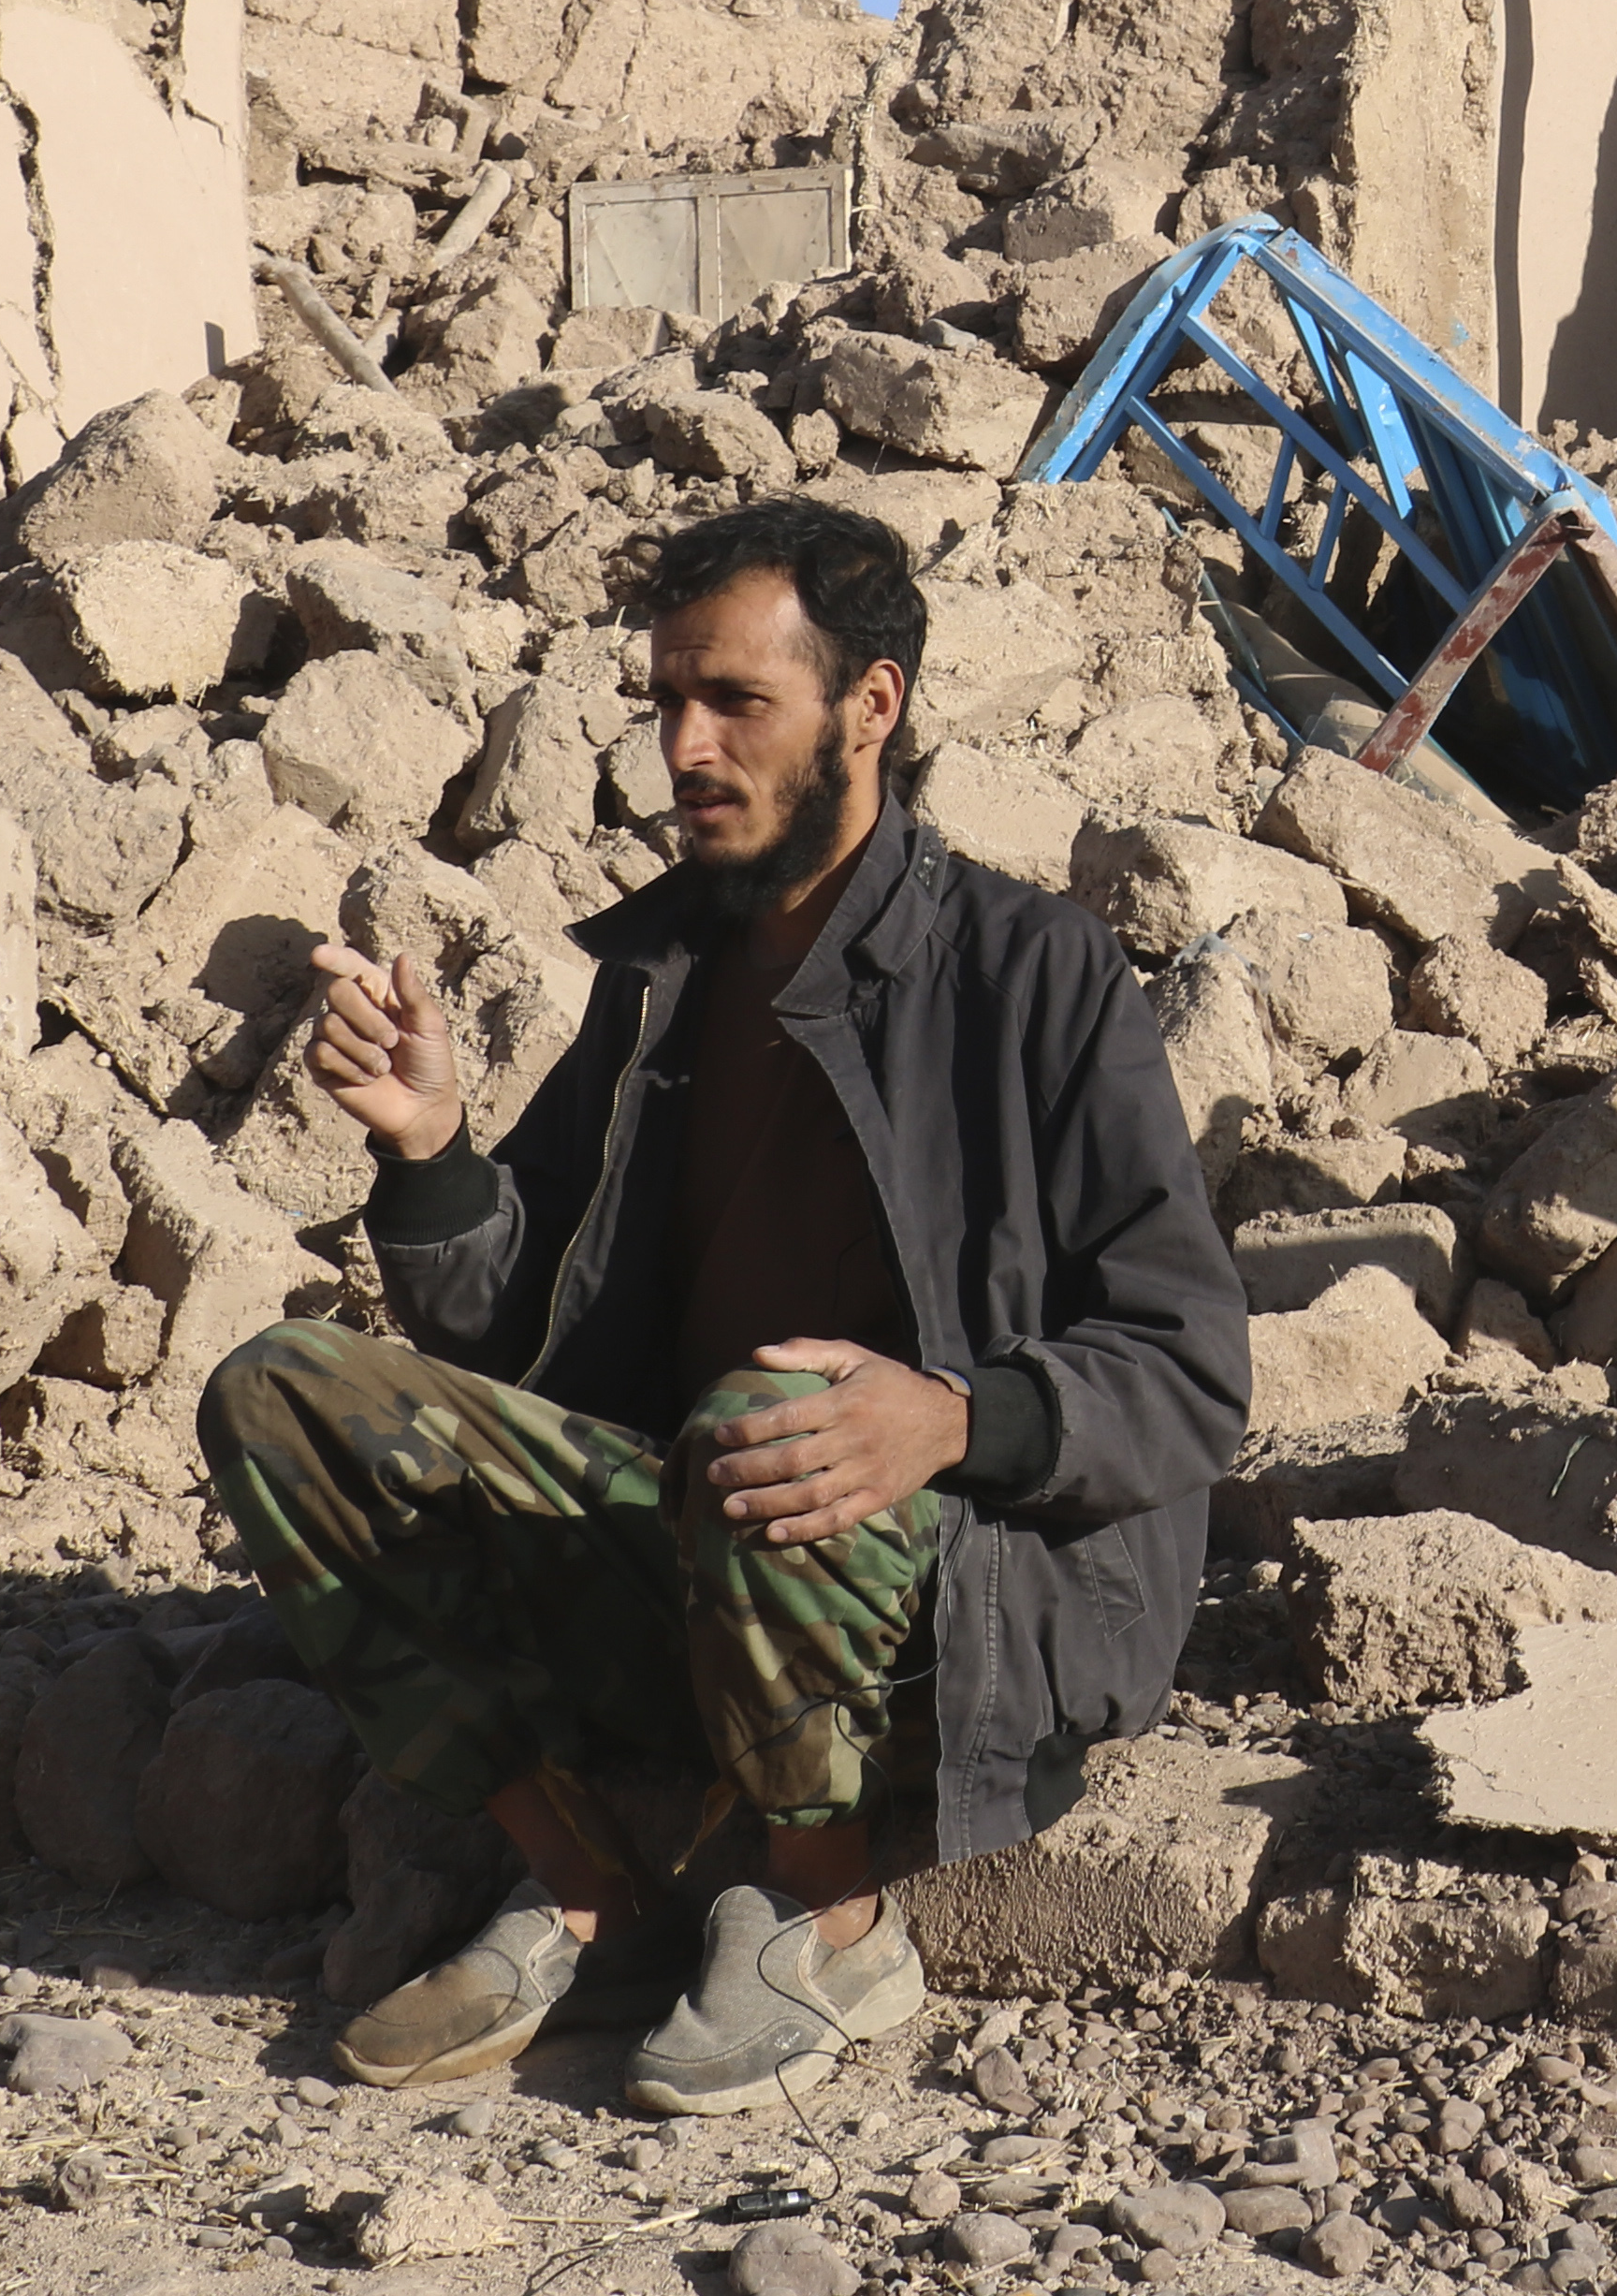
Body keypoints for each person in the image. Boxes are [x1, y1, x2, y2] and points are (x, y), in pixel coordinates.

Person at [194, 496, 1246, 2110]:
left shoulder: (1036, 975)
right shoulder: (667, 975)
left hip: (954, 1605)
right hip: (694, 1551)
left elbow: (1185, 1366)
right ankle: (585, 1885)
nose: (682, 746)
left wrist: (951, 1418)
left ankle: (825, 1913)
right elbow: (511, 1332)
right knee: (281, 1389)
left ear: (870, 706)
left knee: (778, 1415)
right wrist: (431, 1151)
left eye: (735, 702)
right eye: (665, 699)